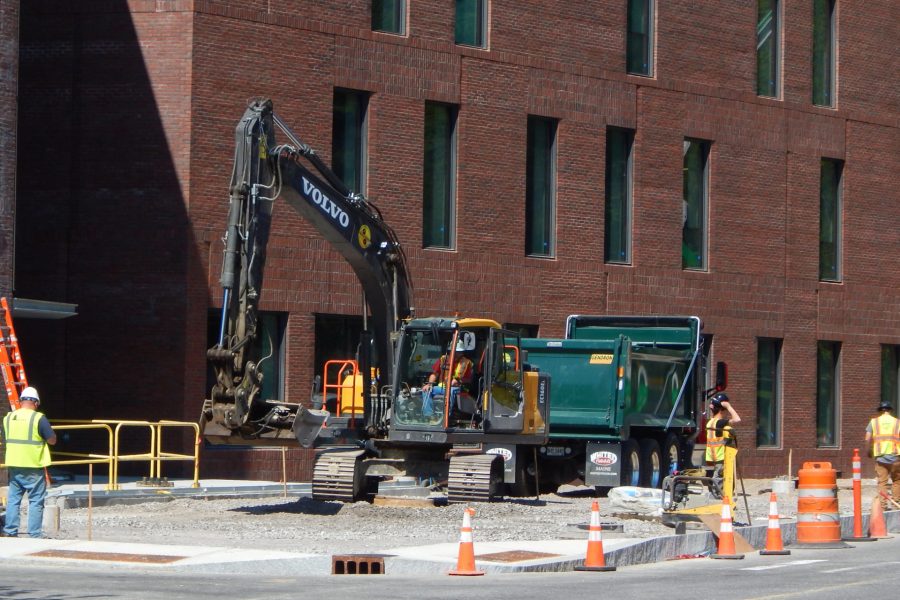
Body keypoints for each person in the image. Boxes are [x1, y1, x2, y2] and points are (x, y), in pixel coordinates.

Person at [2, 386, 56, 538]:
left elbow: (6, 438)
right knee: (36, 501)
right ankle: (34, 534)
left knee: (13, 500)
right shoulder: (38, 418)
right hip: (32, 465)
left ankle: (10, 531)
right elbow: (52, 440)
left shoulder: (8, 418)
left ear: (21, 401)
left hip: (14, 465)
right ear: (36, 403)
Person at [865, 400, 900, 509]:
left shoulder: (874, 422)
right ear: (890, 410)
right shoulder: (897, 422)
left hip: (881, 458)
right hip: (895, 457)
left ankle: (883, 506)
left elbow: (867, 438)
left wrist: (868, 451)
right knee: (897, 481)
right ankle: (896, 503)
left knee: (882, 482)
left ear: (880, 411)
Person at [705, 392, 740, 497]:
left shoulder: (710, 422)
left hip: (711, 456)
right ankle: (719, 498)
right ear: (722, 409)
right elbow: (737, 419)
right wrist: (729, 406)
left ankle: (716, 494)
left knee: (716, 477)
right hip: (720, 456)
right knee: (719, 478)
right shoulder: (720, 423)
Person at [421, 350, 475, 417]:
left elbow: (469, 380)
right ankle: (428, 415)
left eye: (459, 352)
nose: (457, 353)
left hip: (457, 388)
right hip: (442, 387)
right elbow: (435, 374)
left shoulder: (466, 362)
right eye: (456, 351)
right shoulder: (443, 359)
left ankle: (446, 416)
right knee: (426, 390)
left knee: (451, 391)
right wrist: (429, 384)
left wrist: (458, 381)